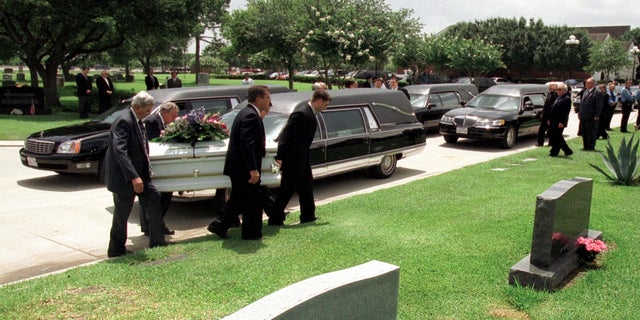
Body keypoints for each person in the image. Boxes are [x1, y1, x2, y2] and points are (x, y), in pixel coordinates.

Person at [102, 91, 171, 257]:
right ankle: (116, 249)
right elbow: (120, 151)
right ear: (137, 107)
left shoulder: (138, 120)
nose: (150, 112)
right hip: (125, 178)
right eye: (148, 109)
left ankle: (157, 240)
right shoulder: (124, 121)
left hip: (141, 176)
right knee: (122, 214)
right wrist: (134, 176)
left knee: (154, 199)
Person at [208, 85, 271, 240]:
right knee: (252, 200)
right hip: (243, 169)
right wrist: (253, 169)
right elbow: (247, 144)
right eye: (267, 98)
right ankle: (251, 233)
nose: (269, 101)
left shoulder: (248, 113)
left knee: (238, 199)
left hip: (239, 167)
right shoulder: (250, 115)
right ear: (259, 99)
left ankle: (220, 226)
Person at [266, 90, 332, 226]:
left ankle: (308, 216)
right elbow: (286, 135)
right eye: (325, 105)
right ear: (319, 101)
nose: (326, 108)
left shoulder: (310, 113)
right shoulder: (301, 113)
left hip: (302, 157)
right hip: (292, 159)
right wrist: (280, 157)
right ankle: (275, 218)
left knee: (306, 187)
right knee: (287, 189)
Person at [141, 102, 180, 236]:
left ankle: (155, 226)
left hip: (161, 164)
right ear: (165, 112)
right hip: (154, 165)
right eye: (173, 115)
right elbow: (153, 141)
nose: (175, 118)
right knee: (159, 197)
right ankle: (154, 226)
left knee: (164, 196)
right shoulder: (152, 121)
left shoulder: (161, 121)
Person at [547, 83, 573, 157]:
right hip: (553, 120)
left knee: (557, 136)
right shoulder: (558, 98)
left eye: (559, 89)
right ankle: (566, 150)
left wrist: (562, 122)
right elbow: (552, 109)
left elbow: (565, 112)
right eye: (557, 89)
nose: (557, 91)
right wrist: (549, 119)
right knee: (556, 136)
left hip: (559, 121)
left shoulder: (566, 99)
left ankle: (555, 152)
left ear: (565, 90)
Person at [577, 78, 602, 151]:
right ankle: (585, 146)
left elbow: (599, 105)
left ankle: (591, 146)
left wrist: (597, 115)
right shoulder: (585, 91)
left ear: (593, 84)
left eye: (589, 83)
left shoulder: (597, 93)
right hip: (583, 116)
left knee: (591, 132)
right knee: (584, 132)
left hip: (592, 116)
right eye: (587, 83)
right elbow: (582, 104)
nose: (587, 84)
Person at [536, 82, 558, 146]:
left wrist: (550, 118)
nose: (550, 87)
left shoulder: (555, 96)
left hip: (550, 116)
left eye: (552, 86)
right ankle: (540, 142)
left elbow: (552, 107)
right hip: (545, 115)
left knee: (551, 131)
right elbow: (546, 105)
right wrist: (542, 113)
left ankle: (551, 143)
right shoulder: (549, 94)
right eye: (550, 86)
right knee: (541, 130)